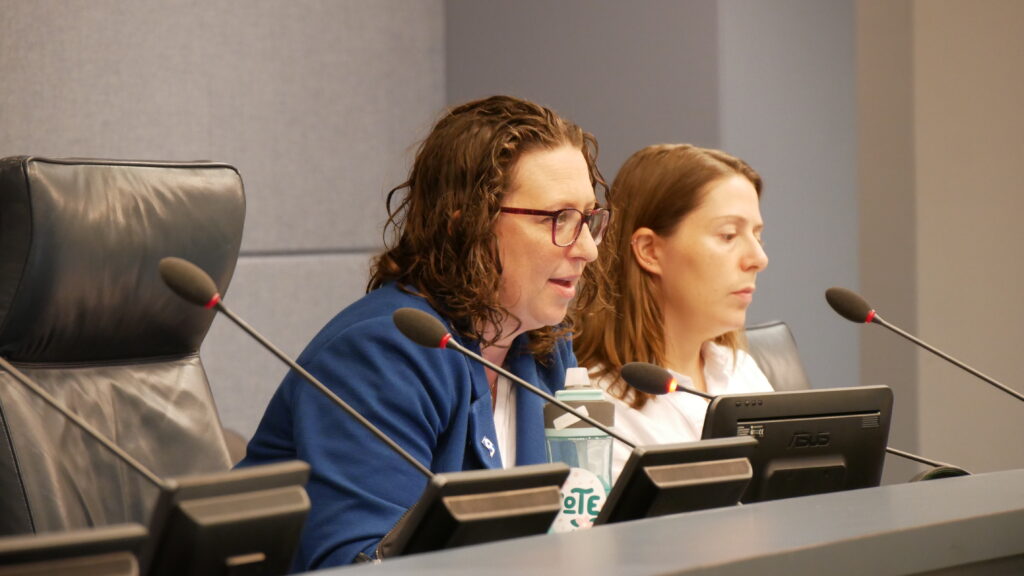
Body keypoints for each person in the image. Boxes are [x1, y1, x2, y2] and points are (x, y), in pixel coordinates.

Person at [238, 95, 610, 569]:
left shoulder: (542, 349)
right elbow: (360, 565)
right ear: (466, 224)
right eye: (557, 219)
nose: (587, 250)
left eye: (588, 219)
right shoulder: (383, 353)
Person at [573, 144, 771, 482]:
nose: (758, 259)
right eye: (728, 235)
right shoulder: (593, 409)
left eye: (757, 235)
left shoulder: (740, 372)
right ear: (650, 250)